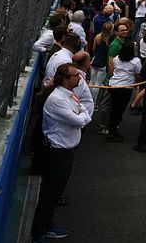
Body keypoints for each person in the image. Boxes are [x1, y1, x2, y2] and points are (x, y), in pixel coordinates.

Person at [31, 63, 93, 243]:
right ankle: (38, 232)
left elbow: (81, 111)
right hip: (56, 153)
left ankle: (47, 224)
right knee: (49, 194)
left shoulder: (68, 95)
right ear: (66, 79)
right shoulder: (58, 99)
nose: (79, 78)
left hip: (65, 151)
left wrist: (82, 113)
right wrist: (83, 115)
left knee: (55, 192)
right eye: (75, 76)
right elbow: (79, 119)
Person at [106, 40, 140, 142]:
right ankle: (112, 132)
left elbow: (113, 70)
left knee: (114, 108)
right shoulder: (136, 61)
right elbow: (138, 74)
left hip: (113, 85)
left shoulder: (117, 58)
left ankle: (111, 129)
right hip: (125, 87)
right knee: (119, 110)